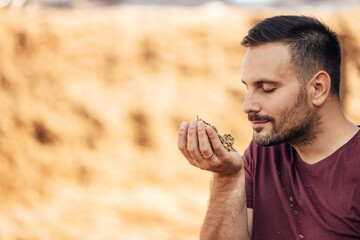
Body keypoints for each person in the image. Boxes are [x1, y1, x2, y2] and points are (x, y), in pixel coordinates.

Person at [177, 15, 360, 240]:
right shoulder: (262, 155)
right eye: (248, 87)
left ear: (318, 88)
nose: (247, 106)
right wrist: (226, 176)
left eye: (266, 88)